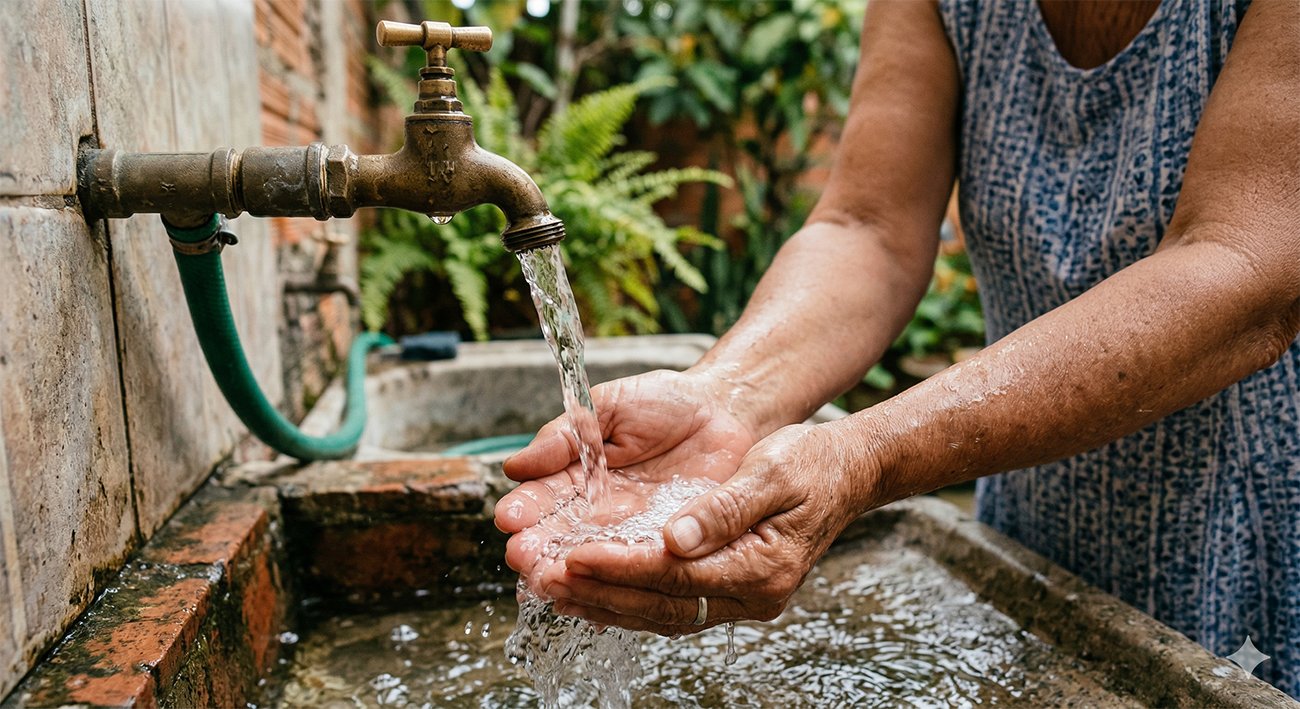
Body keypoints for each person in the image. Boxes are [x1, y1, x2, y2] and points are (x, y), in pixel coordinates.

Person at [495, 0, 1300, 695]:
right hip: (1032, 524)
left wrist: (862, 455)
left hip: (1255, 535)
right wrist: (728, 395)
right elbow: (868, 228)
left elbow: (1245, 271)